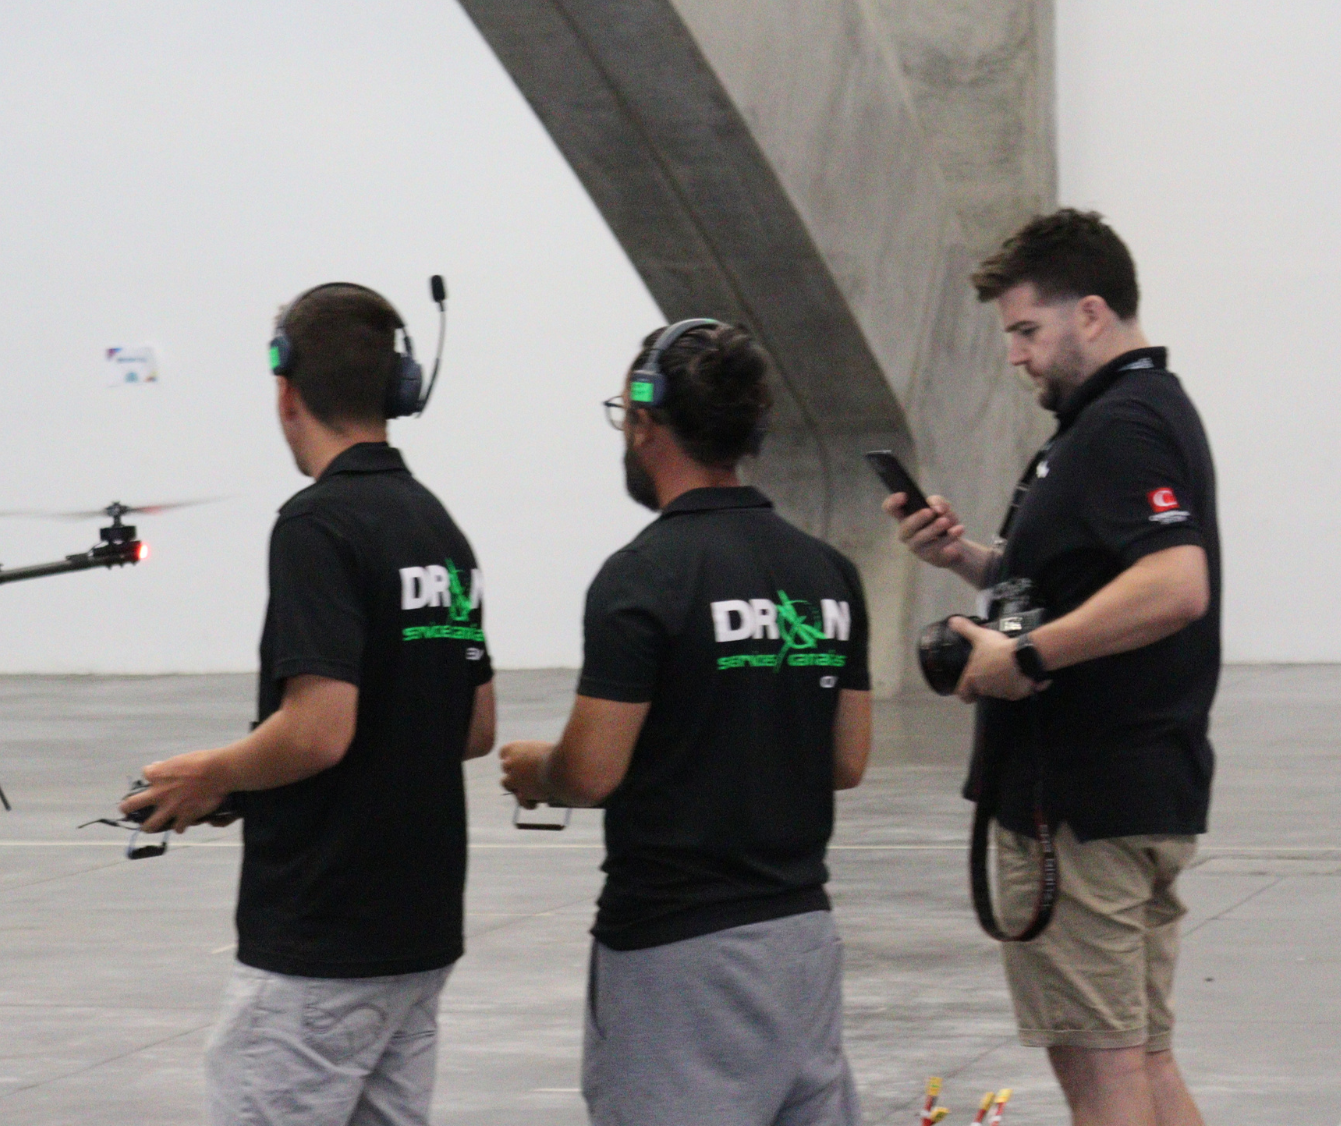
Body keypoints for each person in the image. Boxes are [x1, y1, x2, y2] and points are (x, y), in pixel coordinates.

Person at [123, 282, 496, 1126]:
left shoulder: (318, 525)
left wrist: (210, 774)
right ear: (399, 391)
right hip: (419, 931)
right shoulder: (441, 532)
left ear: (286, 393)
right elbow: (476, 726)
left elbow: (321, 729)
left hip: (325, 935)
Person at [884, 209, 1217, 1126]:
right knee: (1143, 1062)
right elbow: (1095, 582)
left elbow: (1175, 582)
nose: (1017, 356)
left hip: (1079, 809)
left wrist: (1021, 655)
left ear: (1094, 314)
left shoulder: (1120, 426)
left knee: (1105, 1078)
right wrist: (970, 564)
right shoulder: (1133, 415)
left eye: (1028, 331)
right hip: (1133, 793)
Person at [500, 320, 872, 1126]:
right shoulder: (829, 573)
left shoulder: (644, 577)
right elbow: (847, 760)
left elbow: (593, 771)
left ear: (645, 418)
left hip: (680, 954)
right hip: (802, 942)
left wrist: (540, 771)